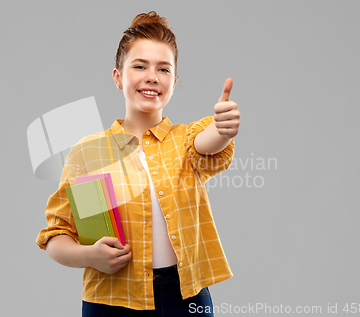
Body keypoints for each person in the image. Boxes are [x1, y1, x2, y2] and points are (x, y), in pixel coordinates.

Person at [36, 11, 240, 316]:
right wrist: (90, 255)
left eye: (164, 69)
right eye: (140, 66)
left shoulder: (184, 141)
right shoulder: (89, 153)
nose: (152, 76)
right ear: (118, 77)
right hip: (111, 299)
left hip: (185, 298)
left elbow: (207, 143)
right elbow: (56, 236)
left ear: (174, 80)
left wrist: (223, 128)